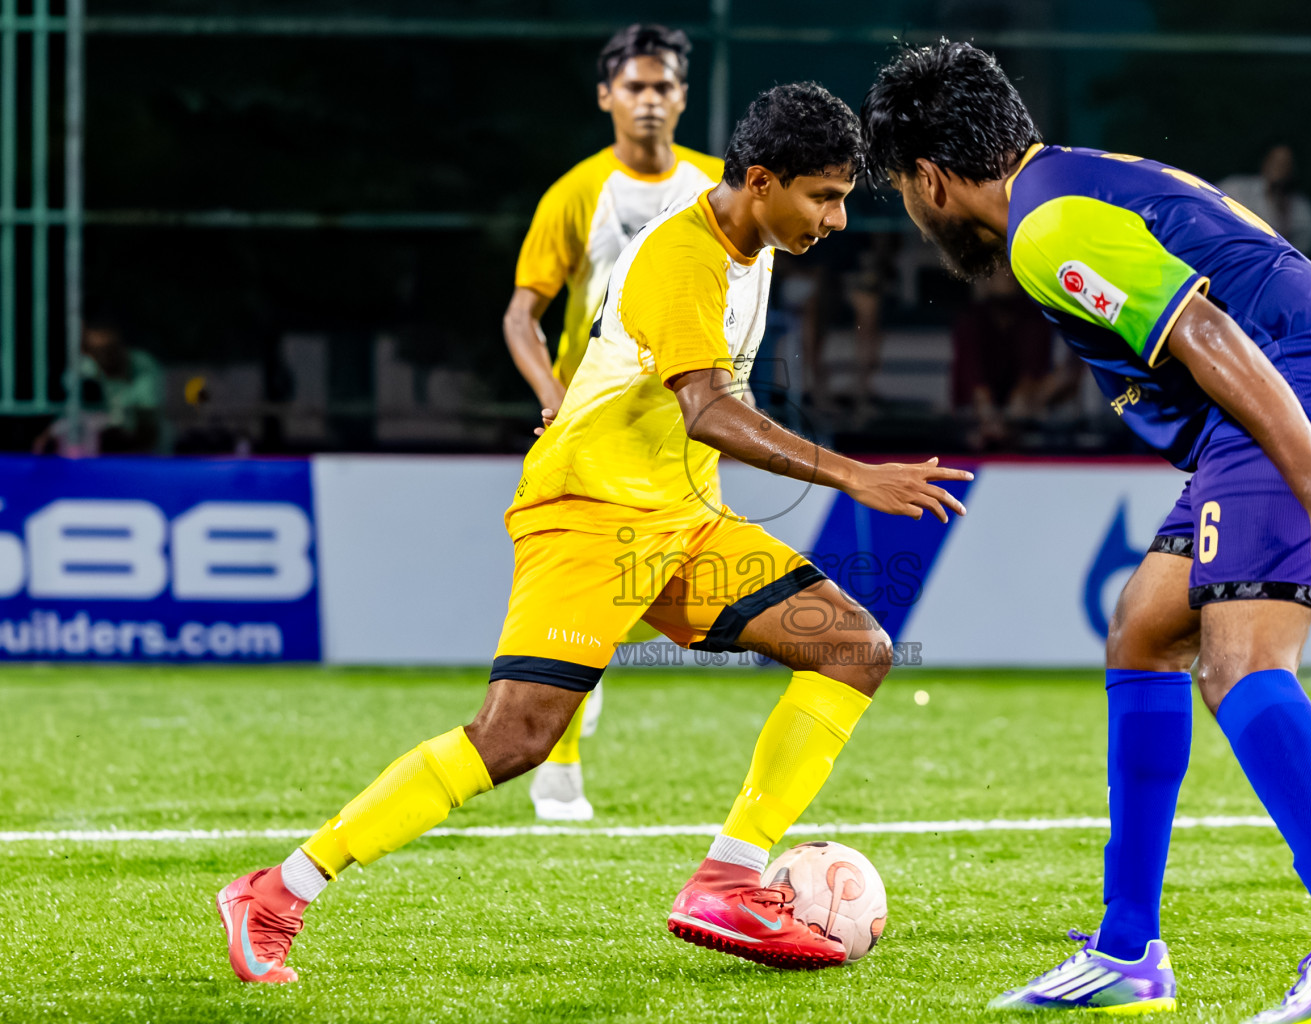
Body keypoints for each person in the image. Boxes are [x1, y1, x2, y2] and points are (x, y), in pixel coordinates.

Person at [218, 82, 972, 984]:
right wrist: (852, 474)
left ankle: (728, 880)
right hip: (590, 518)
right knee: (514, 739)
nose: (839, 217)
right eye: (825, 195)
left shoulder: (753, 241)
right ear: (762, 181)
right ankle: (278, 889)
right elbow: (706, 410)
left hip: (682, 520)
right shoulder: (682, 257)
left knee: (856, 648)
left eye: (845, 195)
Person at [862, 41, 1311, 1023]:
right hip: (1304, 398)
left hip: (1300, 395)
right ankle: (1127, 951)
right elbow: (1250, 302)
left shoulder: (1046, 228)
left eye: (901, 187)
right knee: (1145, 629)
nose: (909, 205)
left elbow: (1207, 335)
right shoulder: (1078, 183)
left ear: (932, 180)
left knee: (1240, 660)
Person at [501, 23, 724, 821]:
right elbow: (522, 315)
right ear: (606, 97)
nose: (650, 100)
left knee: (644, 590)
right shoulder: (575, 194)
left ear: (683, 97)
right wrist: (553, 398)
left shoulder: (720, 186)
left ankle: (580, 685)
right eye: (635, 87)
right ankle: (557, 769)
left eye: (663, 86)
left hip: (689, 423)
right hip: (595, 425)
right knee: (583, 593)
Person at [950, 267, 1080, 450]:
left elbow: (1031, 382)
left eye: (1009, 269)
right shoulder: (971, 321)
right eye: (996, 269)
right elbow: (976, 387)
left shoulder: (1035, 319)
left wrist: (1019, 411)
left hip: (1028, 428)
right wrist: (988, 414)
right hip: (972, 429)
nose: (1006, 275)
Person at [34, 311, 167, 456]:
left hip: (141, 448)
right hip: (92, 450)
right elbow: (66, 414)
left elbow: (146, 422)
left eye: (108, 349)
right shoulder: (84, 369)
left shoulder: (143, 366)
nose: (103, 356)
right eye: (96, 351)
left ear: (120, 344)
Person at [1218, 143, 1311, 257]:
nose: (1278, 167)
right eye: (1274, 160)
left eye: (1285, 163)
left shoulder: (1301, 207)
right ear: (1264, 161)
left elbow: (1304, 247)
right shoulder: (1236, 187)